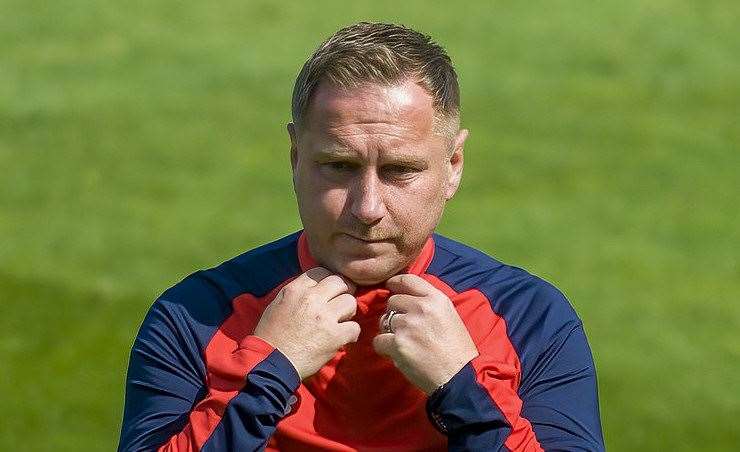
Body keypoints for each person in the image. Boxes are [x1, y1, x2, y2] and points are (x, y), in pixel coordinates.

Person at [118, 22, 605, 451]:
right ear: (294, 157)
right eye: (339, 166)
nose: (367, 208)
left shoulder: (530, 320)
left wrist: (464, 390)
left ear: (453, 166)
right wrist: (268, 372)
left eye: (399, 171)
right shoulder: (195, 317)